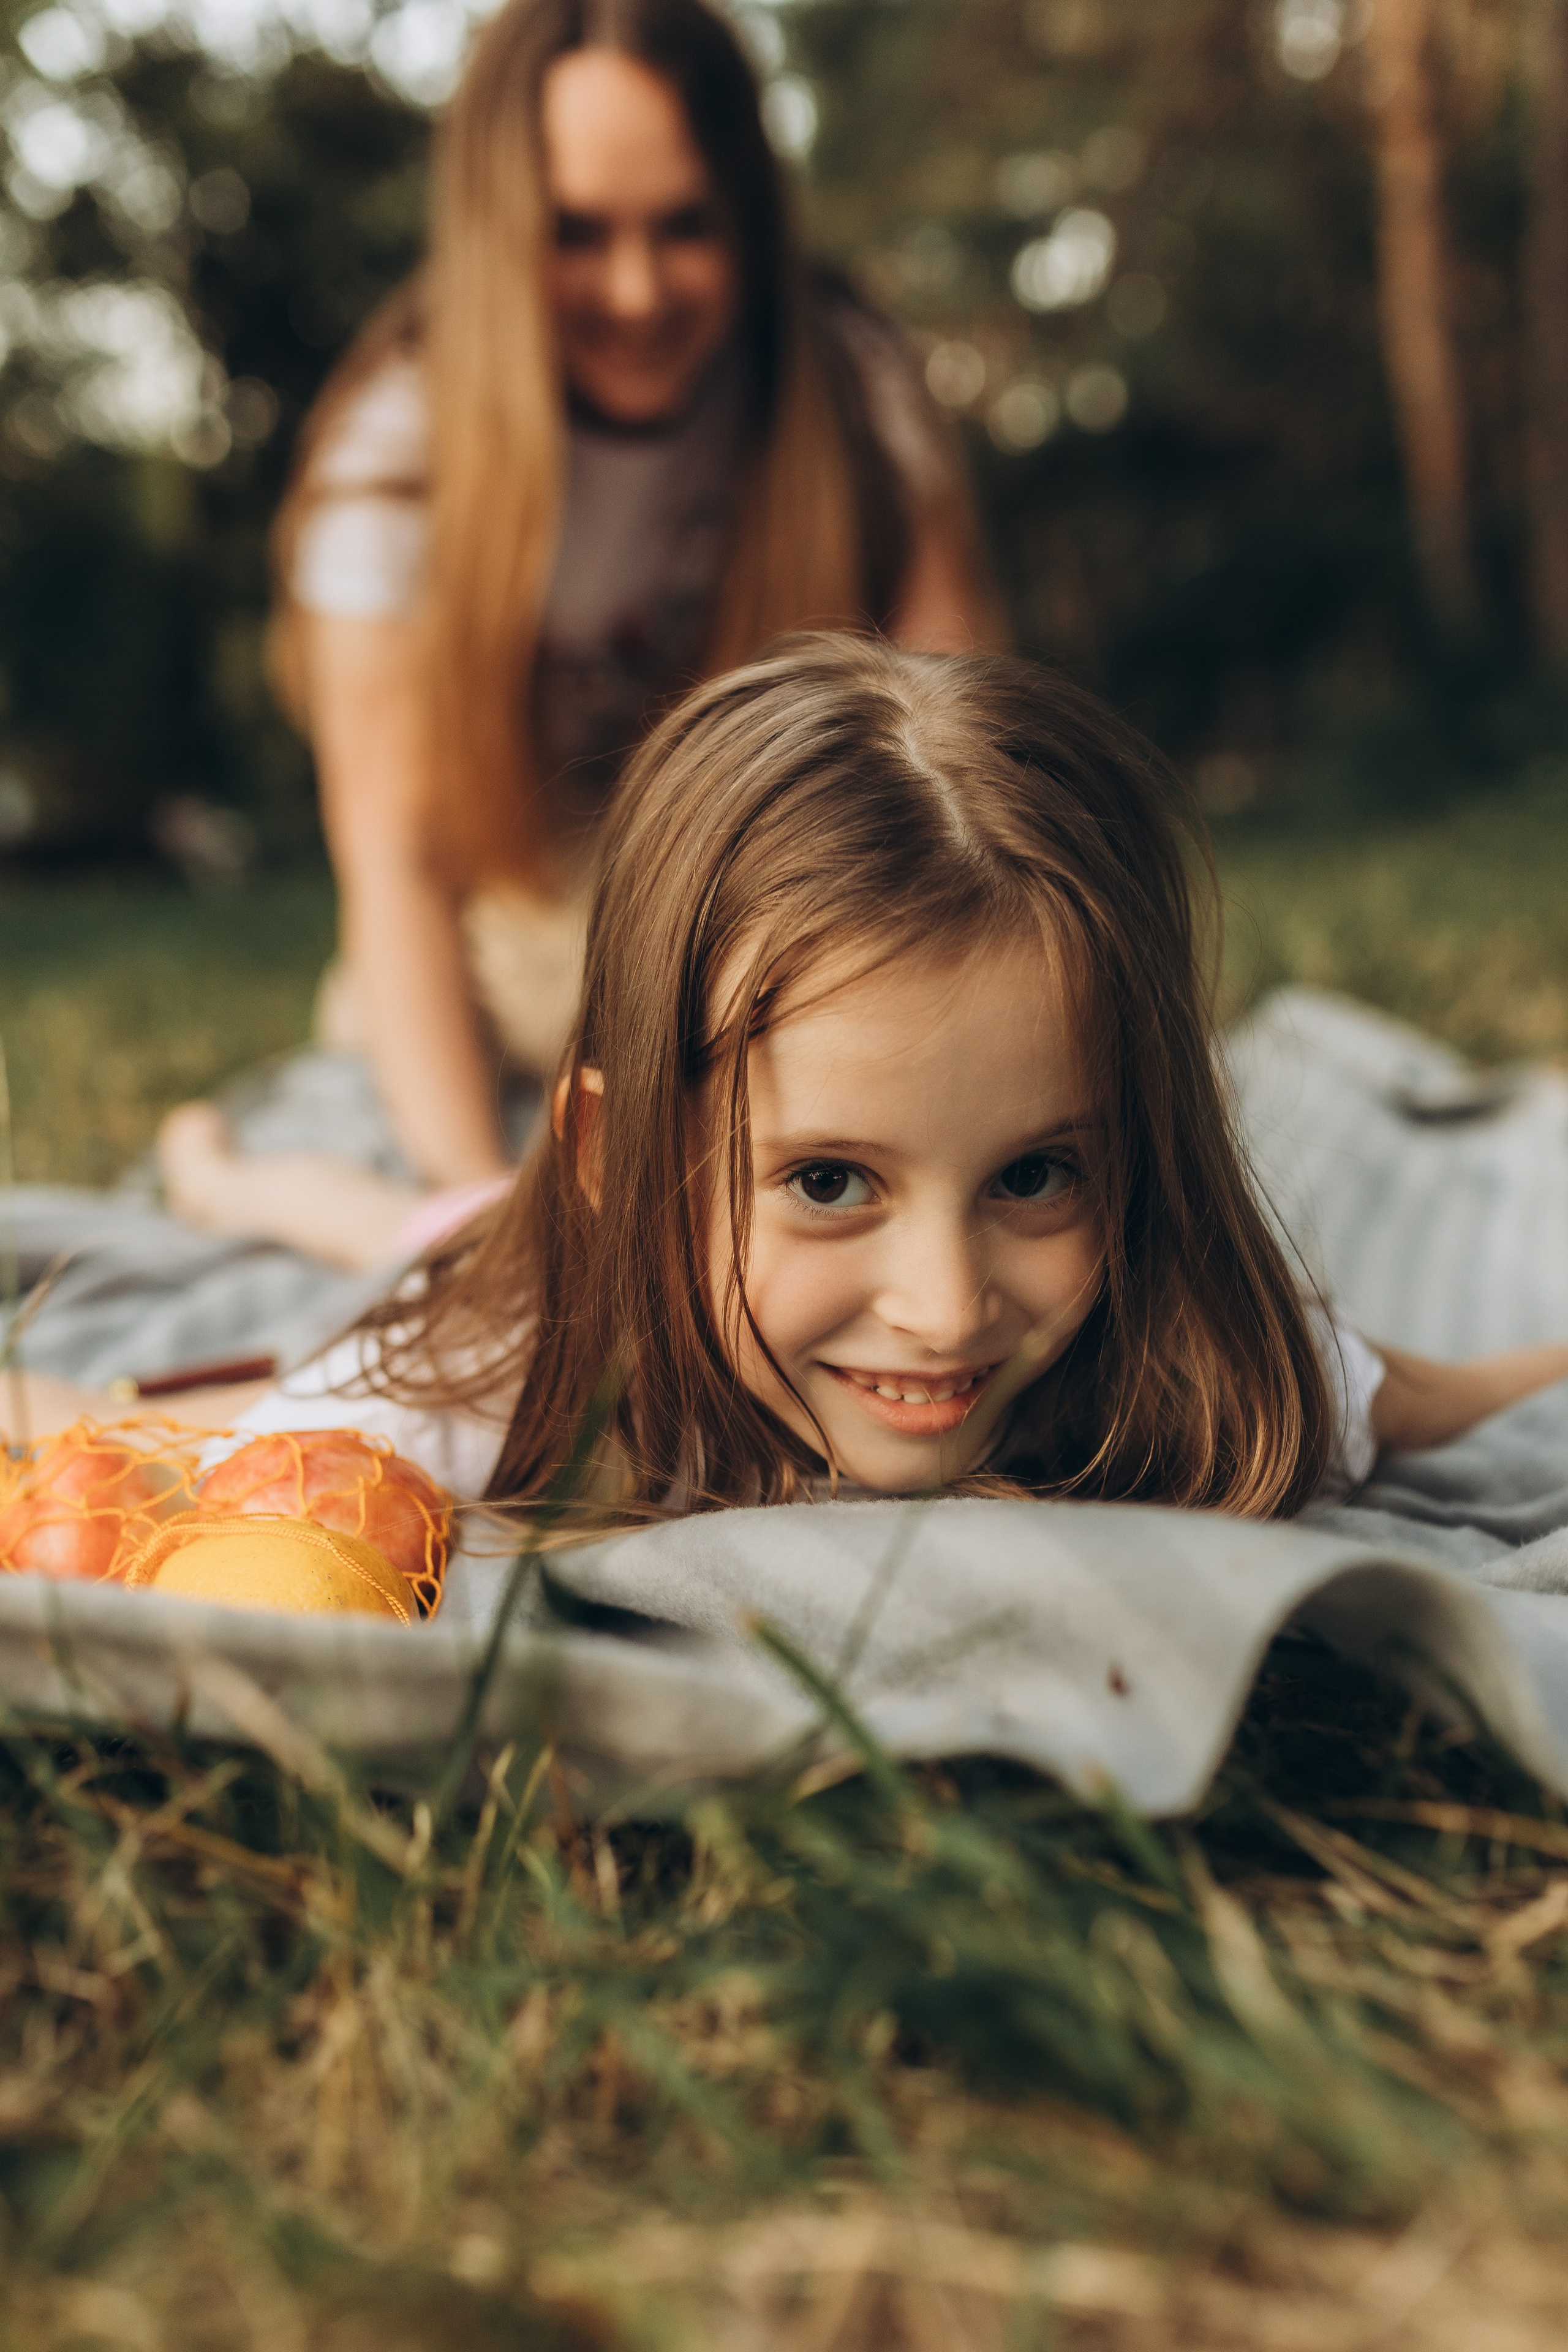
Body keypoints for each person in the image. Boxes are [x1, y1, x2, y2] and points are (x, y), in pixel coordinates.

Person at [28, 639, 1568, 1522]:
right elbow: (194, 1502)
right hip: (492, 1259)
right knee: (386, 1227)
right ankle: (217, 1171)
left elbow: (1434, 1395)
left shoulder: (1186, 1366)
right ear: (619, 1158)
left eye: (1034, 1174)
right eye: (830, 1181)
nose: (946, 1307)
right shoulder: (491, 1390)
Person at [155, 0, 1000, 1271]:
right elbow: (395, 863)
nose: (636, 290)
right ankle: (255, 1164)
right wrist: (467, 1193)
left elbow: (969, 752)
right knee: (582, 999)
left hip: (770, 858)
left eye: (685, 227)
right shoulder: (394, 458)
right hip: (515, 905)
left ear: (751, 215)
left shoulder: (848, 386)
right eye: (575, 234)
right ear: (497, 232)